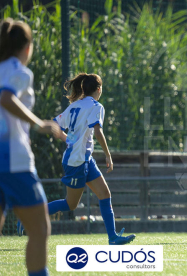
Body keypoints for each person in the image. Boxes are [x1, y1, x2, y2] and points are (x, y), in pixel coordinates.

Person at [17, 73, 136, 245]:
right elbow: (97, 131)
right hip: (76, 162)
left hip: (84, 159)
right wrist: (108, 155)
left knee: (104, 194)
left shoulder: (74, 106)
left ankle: (113, 237)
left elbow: (55, 125)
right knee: (70, 204)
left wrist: (69, 139)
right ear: (98, 89)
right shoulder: (96, 106)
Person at [0, 18, 61, 276]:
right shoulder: (20, 72)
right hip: (13, 161)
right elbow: (6, 97)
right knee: (39, 230)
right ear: (27, 47)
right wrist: (39, 125)